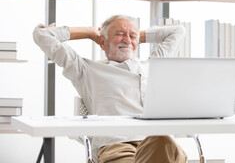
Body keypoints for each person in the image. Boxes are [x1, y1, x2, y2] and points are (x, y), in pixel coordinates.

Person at [33, 15, 187, 163]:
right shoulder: (85, 69)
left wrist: (134, 37)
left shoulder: (153, 64)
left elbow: (178, 31)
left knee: (162, 139)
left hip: (158, 144)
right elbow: (42, 35)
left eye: (132, 36)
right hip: (118, 147)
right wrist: (89, 32)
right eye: (119, 34)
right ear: (102, 42)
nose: (127, 40)